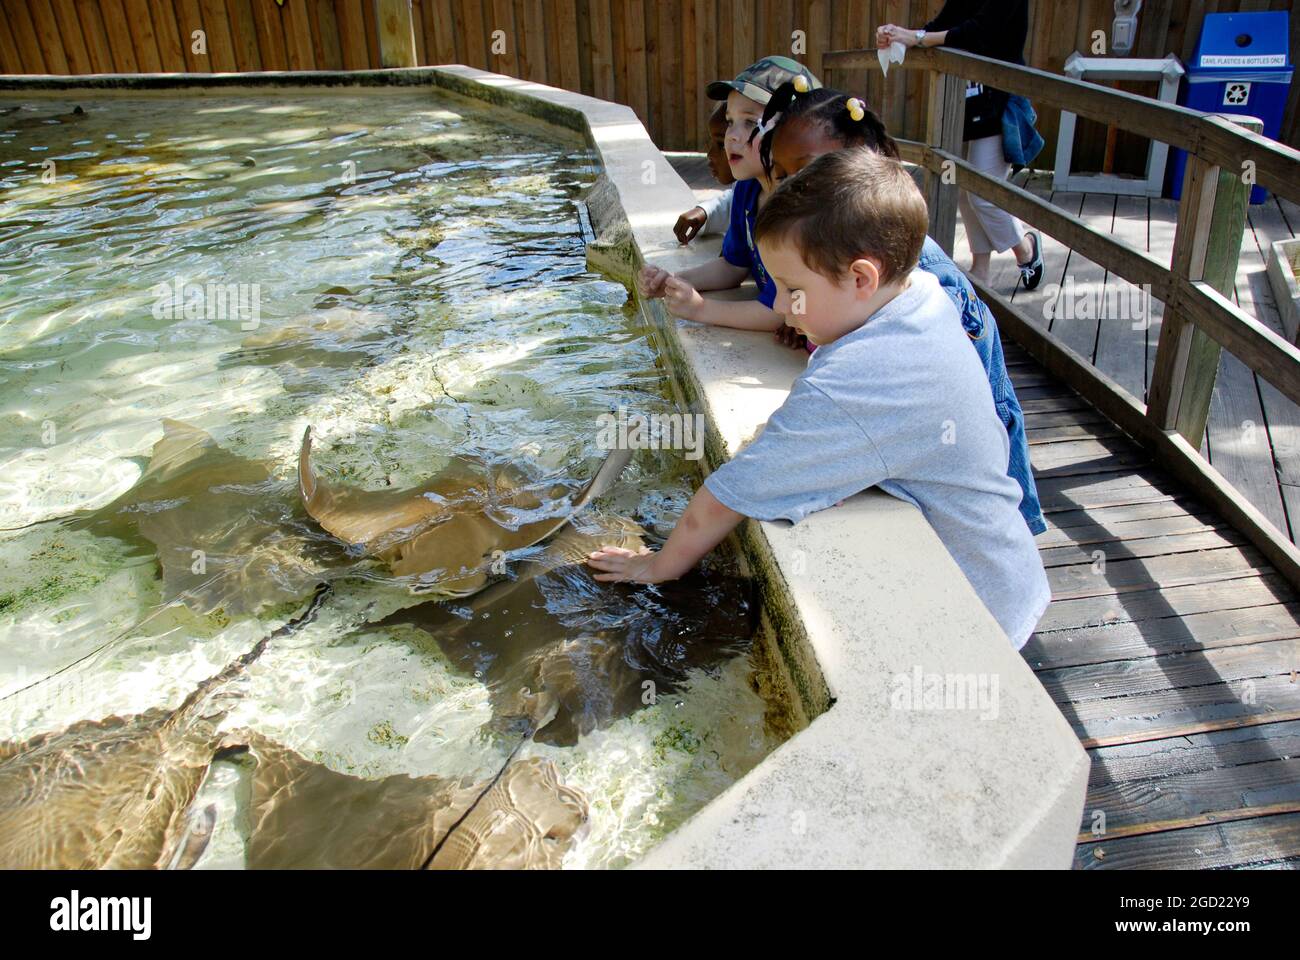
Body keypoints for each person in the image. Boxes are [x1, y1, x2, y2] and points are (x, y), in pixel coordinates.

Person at [589, 148, 1050, 651]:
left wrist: (657, 564)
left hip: (977, 608)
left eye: (792, 289)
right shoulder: (919, 295)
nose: (781, 307)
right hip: (1003, 561)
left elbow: (732, 492)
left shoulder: (865, 376)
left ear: (861, 278)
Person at [756, 80, 1045, 535]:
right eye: (782, 175)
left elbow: (948, 398)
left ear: (867, 161)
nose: (795, 187)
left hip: (971, 474)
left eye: (809, 169)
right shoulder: (833, 258)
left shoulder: (925, 277)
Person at [639, 56, 820, 334]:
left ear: (795, 130)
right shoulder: (748, 190)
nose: (731, 136)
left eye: (750, 122)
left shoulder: (802, 209)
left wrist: (700, 309)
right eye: (730, 121)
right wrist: (674, 280)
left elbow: (778, 312)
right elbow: (733, 266)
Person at [876, 0, 1044, 290]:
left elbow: (978, 33)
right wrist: (898, 34)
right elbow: (941, 27)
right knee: (968, 192)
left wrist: (915, 37)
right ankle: (981, 268)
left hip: (1001, 103)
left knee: (983, 195)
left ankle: (1026, 249)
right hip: (970, 104)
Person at [674, 102, 735, 244]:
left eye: (721, 144)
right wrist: (706, 212)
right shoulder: (745, 190)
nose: (710, 154)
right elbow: (734, 202)